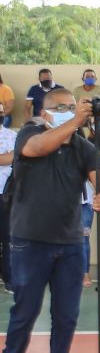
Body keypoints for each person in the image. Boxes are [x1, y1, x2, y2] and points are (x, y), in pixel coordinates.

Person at [4, 89, 100, 353]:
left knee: (67, 316)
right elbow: (38, 148)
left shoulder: (85, 148)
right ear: (44, 114)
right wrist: (75, 121)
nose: (69, 112)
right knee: (25, 312)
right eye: (61, 108)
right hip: (30, 241)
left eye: (72, 107)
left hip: (70, 245)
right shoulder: (28, 135)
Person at [0, 102, 16, 290]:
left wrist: (6, 157)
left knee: (8, 238)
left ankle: (9, 279)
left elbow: (14, 157)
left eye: (1, 112)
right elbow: (6, 157)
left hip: (5, 194)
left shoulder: (12, 135)